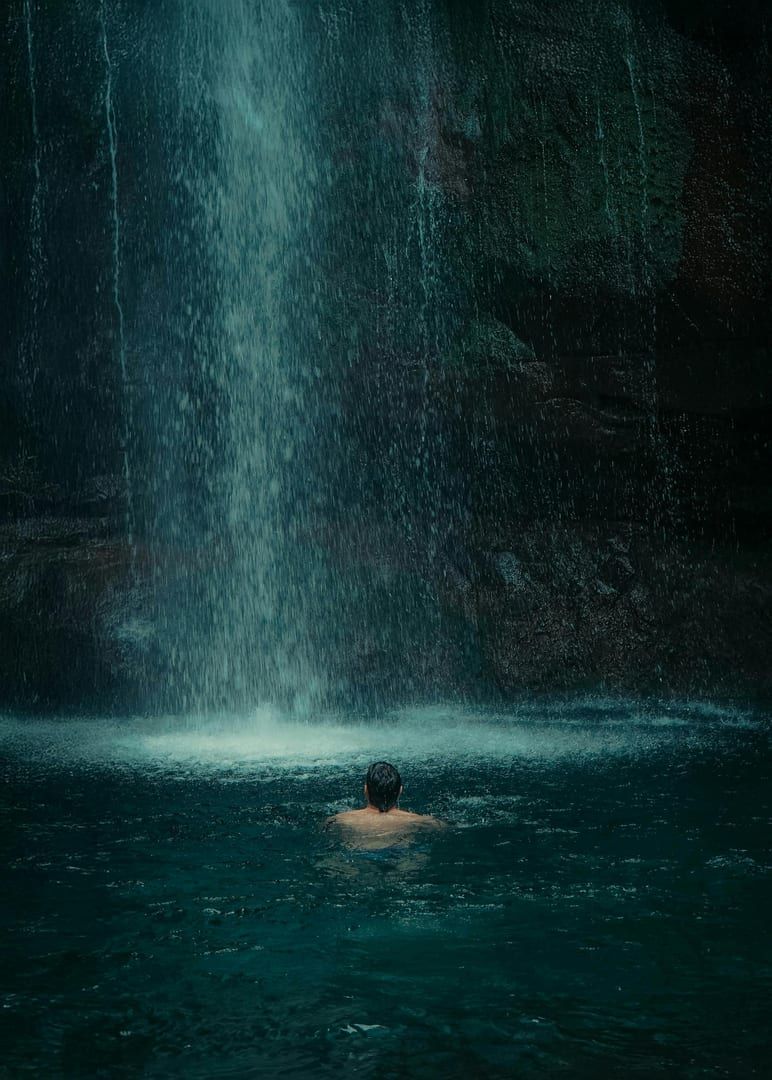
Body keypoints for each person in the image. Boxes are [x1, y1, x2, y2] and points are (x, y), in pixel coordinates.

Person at [326, 761, 444, 846]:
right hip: (399, 854)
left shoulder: (339, 820)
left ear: (366, 790)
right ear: (400, 792)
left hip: (358, 853)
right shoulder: (420, 821)